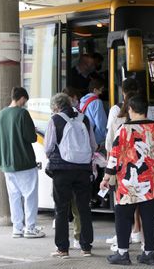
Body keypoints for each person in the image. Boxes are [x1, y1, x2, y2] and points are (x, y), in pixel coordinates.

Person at [100, 95, 154, 266]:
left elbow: (114, 156)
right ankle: (149, 254)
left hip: (127, 184)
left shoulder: (124, 129)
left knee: (123, 218)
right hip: (151, 182)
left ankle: (123, 254)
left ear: (130, 109)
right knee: (149, 219)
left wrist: (106, 177)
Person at [45, 93, 97, 258]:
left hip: (62, 171)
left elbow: (48, 147)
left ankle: (63, 249)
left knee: (61, 209)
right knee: (84, 208)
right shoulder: (84, 119)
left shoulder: (55, 120)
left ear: (55, 107)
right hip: (83, 169)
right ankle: (86, 247)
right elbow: (93, 145)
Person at [0, 87, 45, 239]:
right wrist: (34, 130)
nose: (25, 104)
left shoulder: (1, 114)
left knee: (14, 196)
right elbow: (31, 137)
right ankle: (30, 227)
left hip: (7, 163)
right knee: (30, 195)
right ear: (22, 98)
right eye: (25, 100)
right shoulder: (22, 113)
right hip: (24, 162)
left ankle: (17, 228)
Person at [105, 79, 143, 251]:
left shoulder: (116, 111)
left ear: (123, 91)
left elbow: (109, 141)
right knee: (140, 199)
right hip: (141, 162)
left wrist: (108, 166)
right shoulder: (143, 110)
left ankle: (123, 239)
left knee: (122, 202)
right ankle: (139, 232)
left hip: (121, 163)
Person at [80, 77, 108, 146]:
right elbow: (101, 123)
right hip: (95, 139)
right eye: (101, 90)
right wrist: (107, 137)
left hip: (85, 137)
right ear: (95, 90)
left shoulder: (82, 102)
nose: (101, 93)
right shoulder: (97, 102)